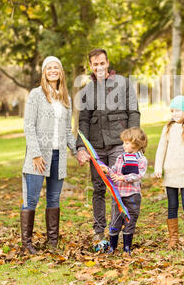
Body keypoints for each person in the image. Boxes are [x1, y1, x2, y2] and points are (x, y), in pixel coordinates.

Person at [76, 48, 140, 249]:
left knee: (117, 188)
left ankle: (116, 230)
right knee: (98, 189)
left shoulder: (123, 84)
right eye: (95, 64)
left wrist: (134, 141)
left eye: (102, 63)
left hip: (119, 145)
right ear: (90, 66)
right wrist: (81, 147)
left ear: (107, 63)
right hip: (96, 147)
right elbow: (83, 121)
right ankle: (98, 232)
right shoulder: (87, 90)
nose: (99, 67)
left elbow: (134, 112)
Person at [21, 56, 77, 254]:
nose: (53, 70)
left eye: (56, 67)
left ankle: (52, 243)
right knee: (31, 199)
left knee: (53, 198)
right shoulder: (36, 95)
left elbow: (68, 131)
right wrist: (35, 154)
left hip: (58, 156)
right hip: (38, 156)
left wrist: (77, 151)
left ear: (61, 72)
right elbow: (28, 126)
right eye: (49, 68)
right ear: (44, 72)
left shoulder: (65, 98)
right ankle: (26, 244)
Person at [154, 95, 184, 250]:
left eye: (178, 110)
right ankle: (173, 238)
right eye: (173, 111)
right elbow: (161, 149)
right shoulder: (168, 128)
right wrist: (158, 167)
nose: (175, 114)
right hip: (171, 174)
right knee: (172, 205)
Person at [100, 127, 148, 255]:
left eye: (127, 143)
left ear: (137, 143)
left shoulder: (141, 160)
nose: (123, 145)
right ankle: (112, 247)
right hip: (119, 196)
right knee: (116, 220)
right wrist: (108, 171)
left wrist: (123, 178)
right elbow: (114, 171)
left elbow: (138, 175)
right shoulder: (121, 157)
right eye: (124, 142)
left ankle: (127, 247)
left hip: (132, 196)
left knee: (130, 220)